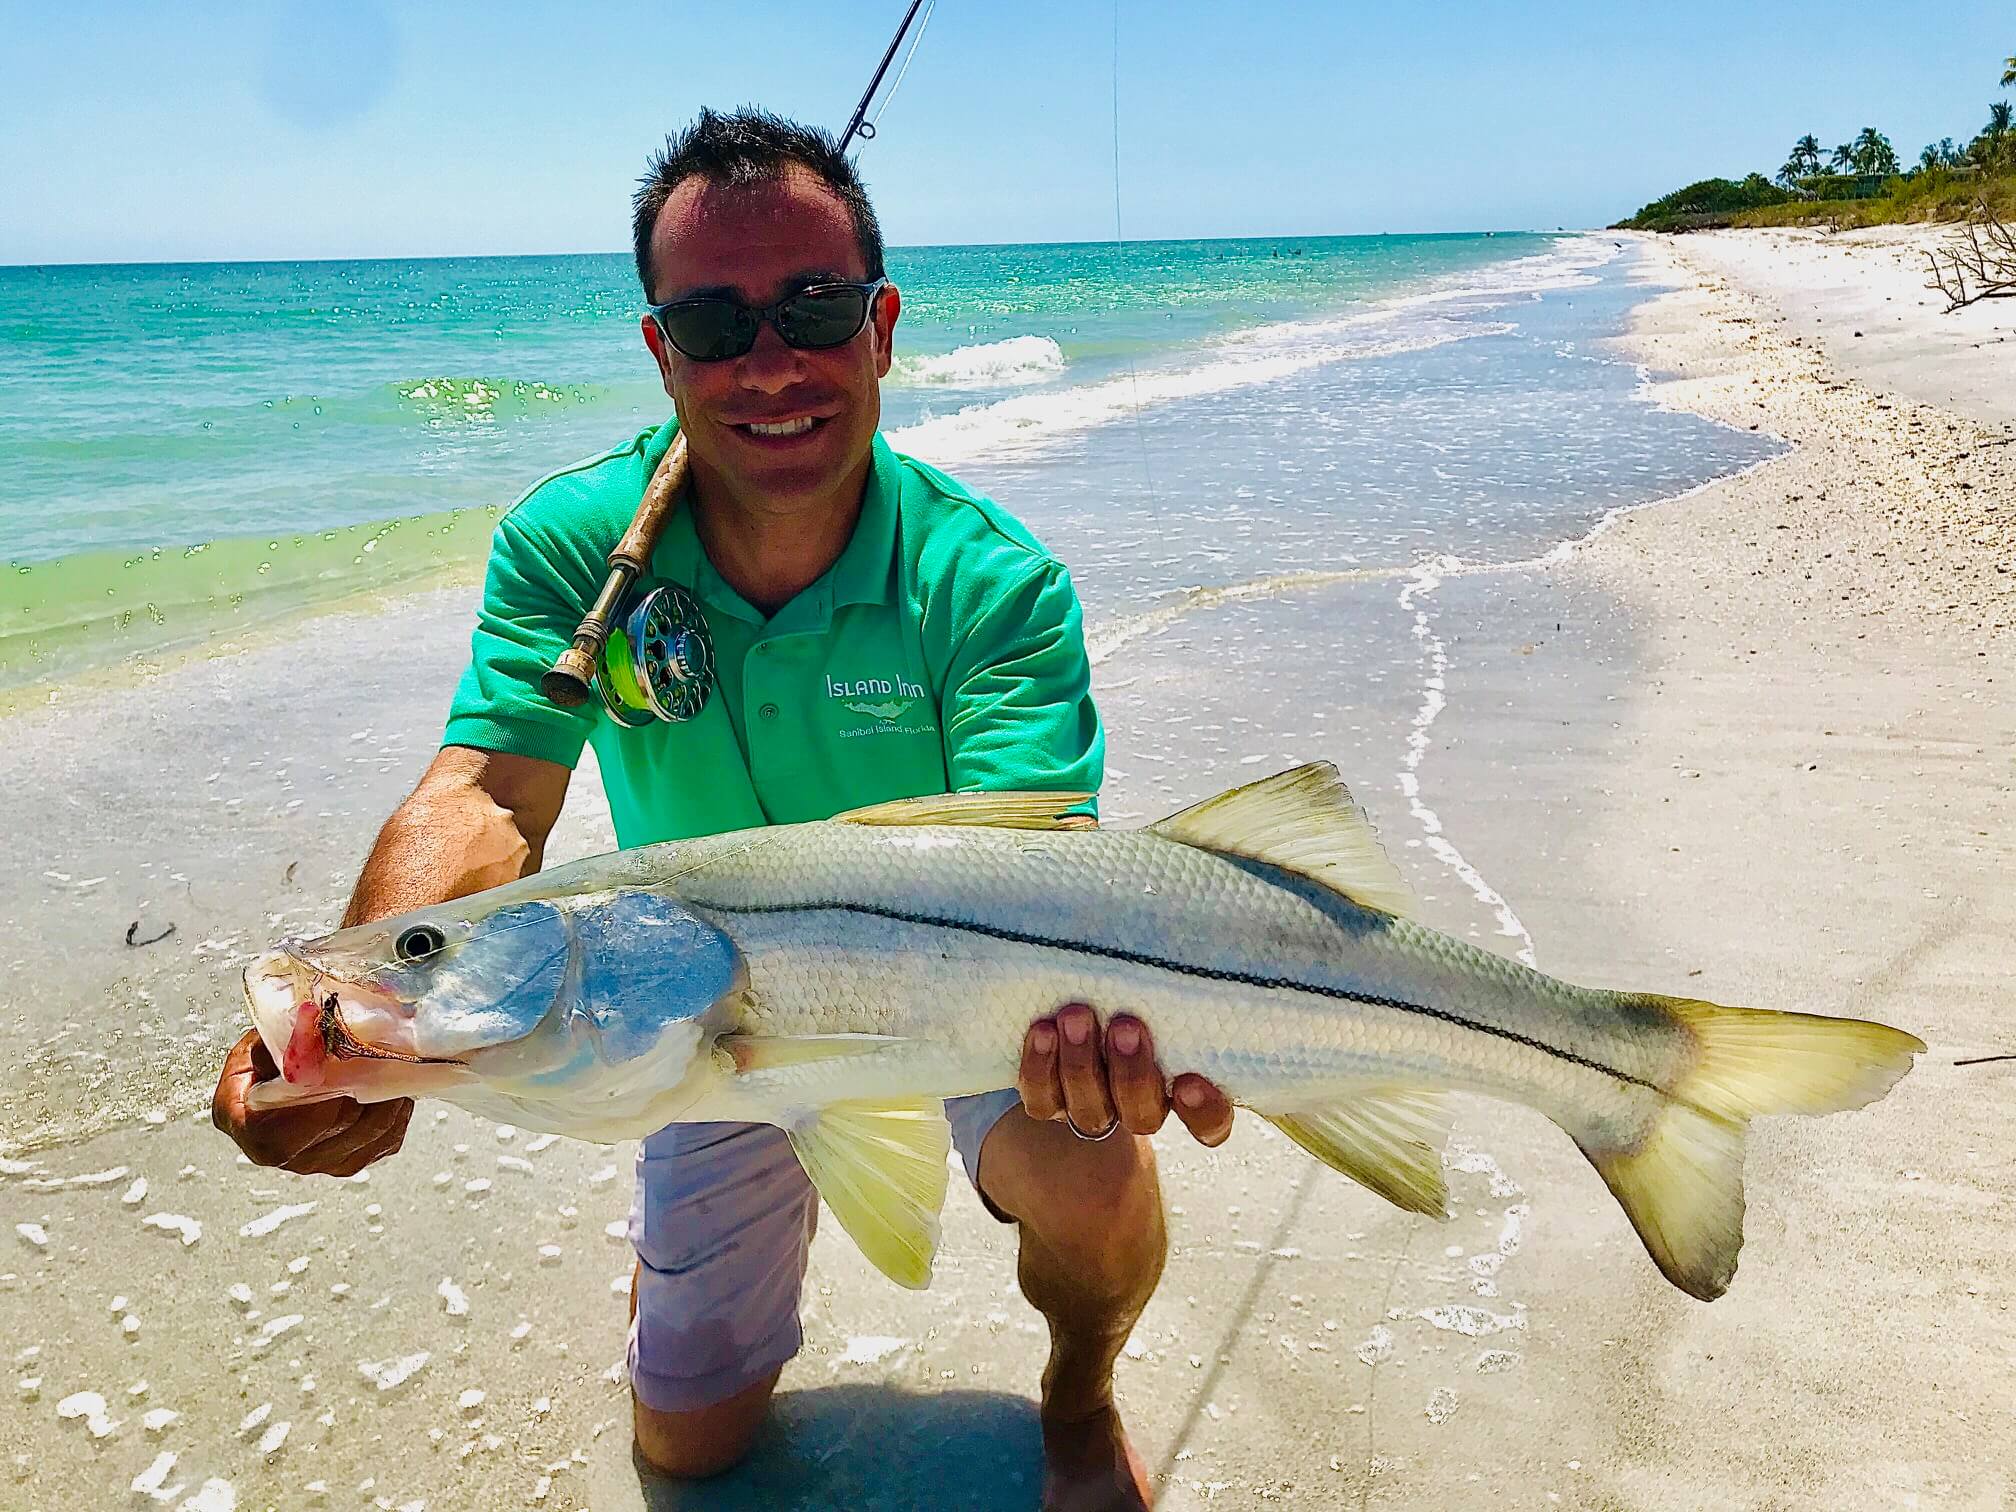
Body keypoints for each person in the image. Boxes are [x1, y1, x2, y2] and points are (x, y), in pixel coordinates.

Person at [211, 108, 1234, 1511]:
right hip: (689, 1018)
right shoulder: (578, 545)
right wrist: (363, 1006)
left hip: (959, 993)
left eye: (814, 309)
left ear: (881, 327)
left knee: (1091, 1172)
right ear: (659, 349)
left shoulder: (991, 582)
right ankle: (683, 1274)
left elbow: (1023, 873)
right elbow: (493, 790)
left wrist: (1104, 1057)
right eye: (713, 321)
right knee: (688, 1450)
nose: (770, 364)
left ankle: (1078, 1390)